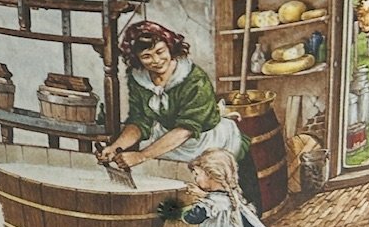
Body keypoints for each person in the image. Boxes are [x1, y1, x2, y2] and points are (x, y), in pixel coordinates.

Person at [98, 20, 262, 208]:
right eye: (146, 56)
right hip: (168, 142)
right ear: (137, 58)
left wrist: (142, 156)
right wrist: (116, 147)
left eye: (160, 52)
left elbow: (186, 129)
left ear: (170, 47)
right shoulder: (139, 80)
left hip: (208, 143)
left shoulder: (194, 79)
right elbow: (139, 120)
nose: (156, 61)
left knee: (225, 203)